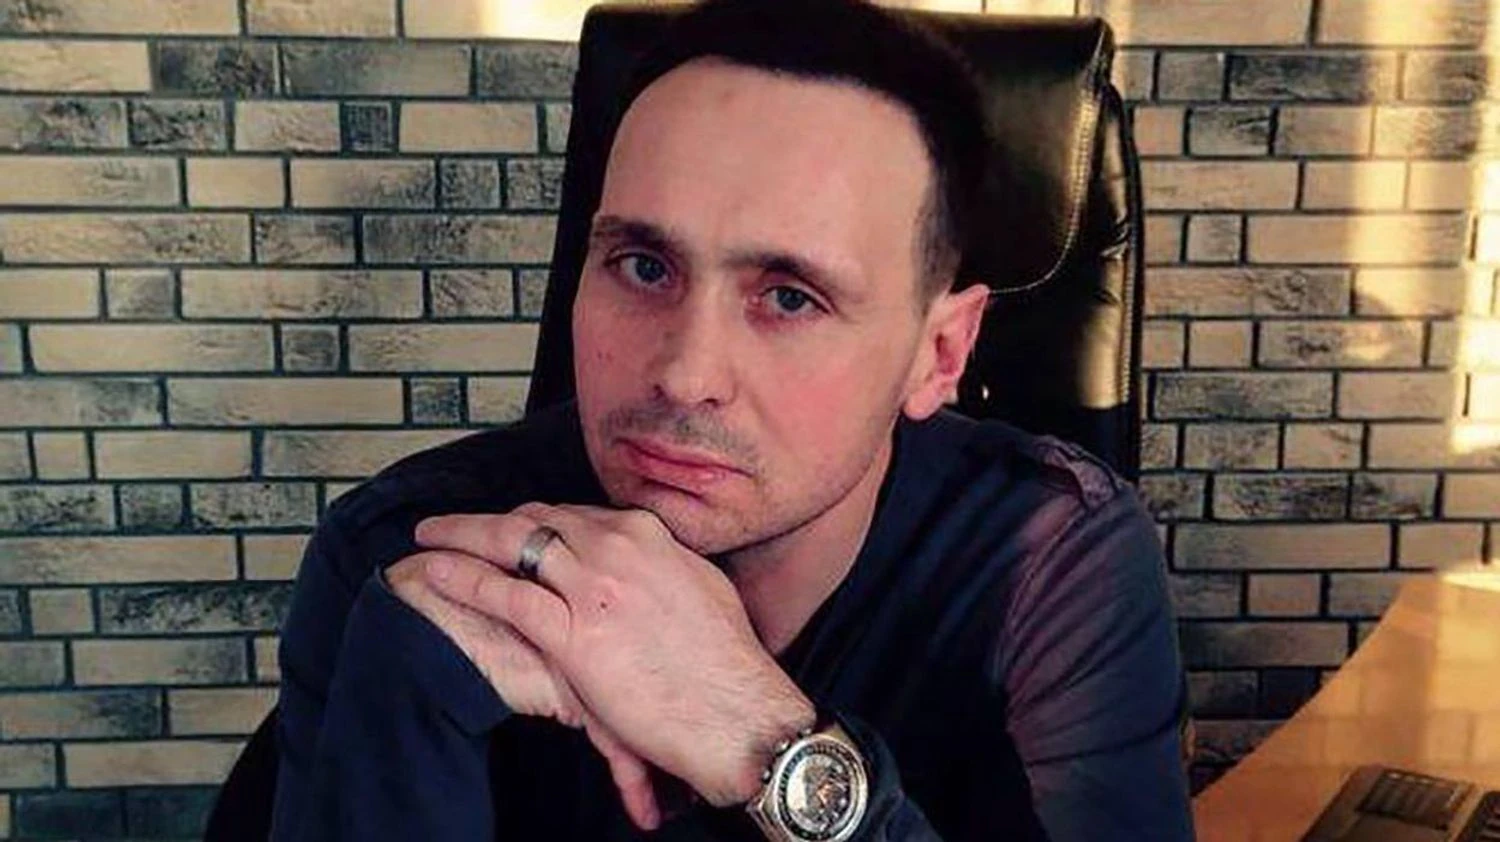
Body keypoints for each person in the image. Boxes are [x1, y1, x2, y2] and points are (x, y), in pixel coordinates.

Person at [268, 0, 1194, 839]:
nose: (685, 375)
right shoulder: (403, 558)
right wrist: (406, 702)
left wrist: (765, 742)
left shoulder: (1047, 560)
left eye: (790, 298)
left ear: (940, 353)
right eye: (642, 267)